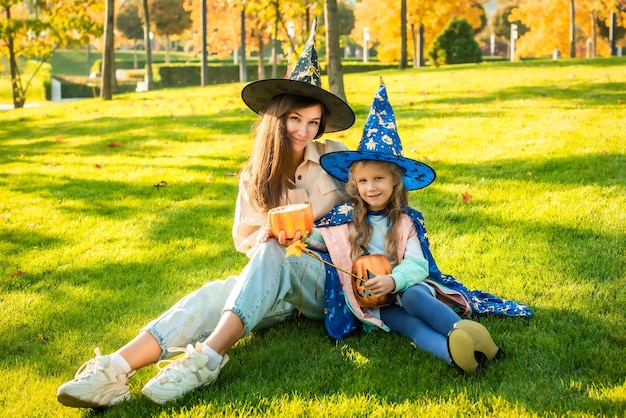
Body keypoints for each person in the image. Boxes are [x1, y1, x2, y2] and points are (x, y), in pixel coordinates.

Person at [57, 18, 356, 408]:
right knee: (215, 293)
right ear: (277, 117)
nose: (303, 131)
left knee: (273, 253)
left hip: (330, 281)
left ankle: (206, 360)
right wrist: (268, 234)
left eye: (313, 122)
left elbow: (375, 211)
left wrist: (312, 236)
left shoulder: (335, 159)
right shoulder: (256, 176)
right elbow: (248, 240)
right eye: (296, 119)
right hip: (279, 285)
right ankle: (113, 369)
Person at [308, 79, 504, 373]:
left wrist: (395, 281)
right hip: (379, 303)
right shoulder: (346, 219)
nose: (370, 187)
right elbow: (322, 241)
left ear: (395, 181)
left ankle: (461, 331)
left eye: (378, 179)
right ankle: (454, 354)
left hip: (408, 288)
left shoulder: (404, 221)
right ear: (354, 184)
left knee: (413, 299)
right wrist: (295, 234)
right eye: (363, 181)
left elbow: (417, 264)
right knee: (409, 326)